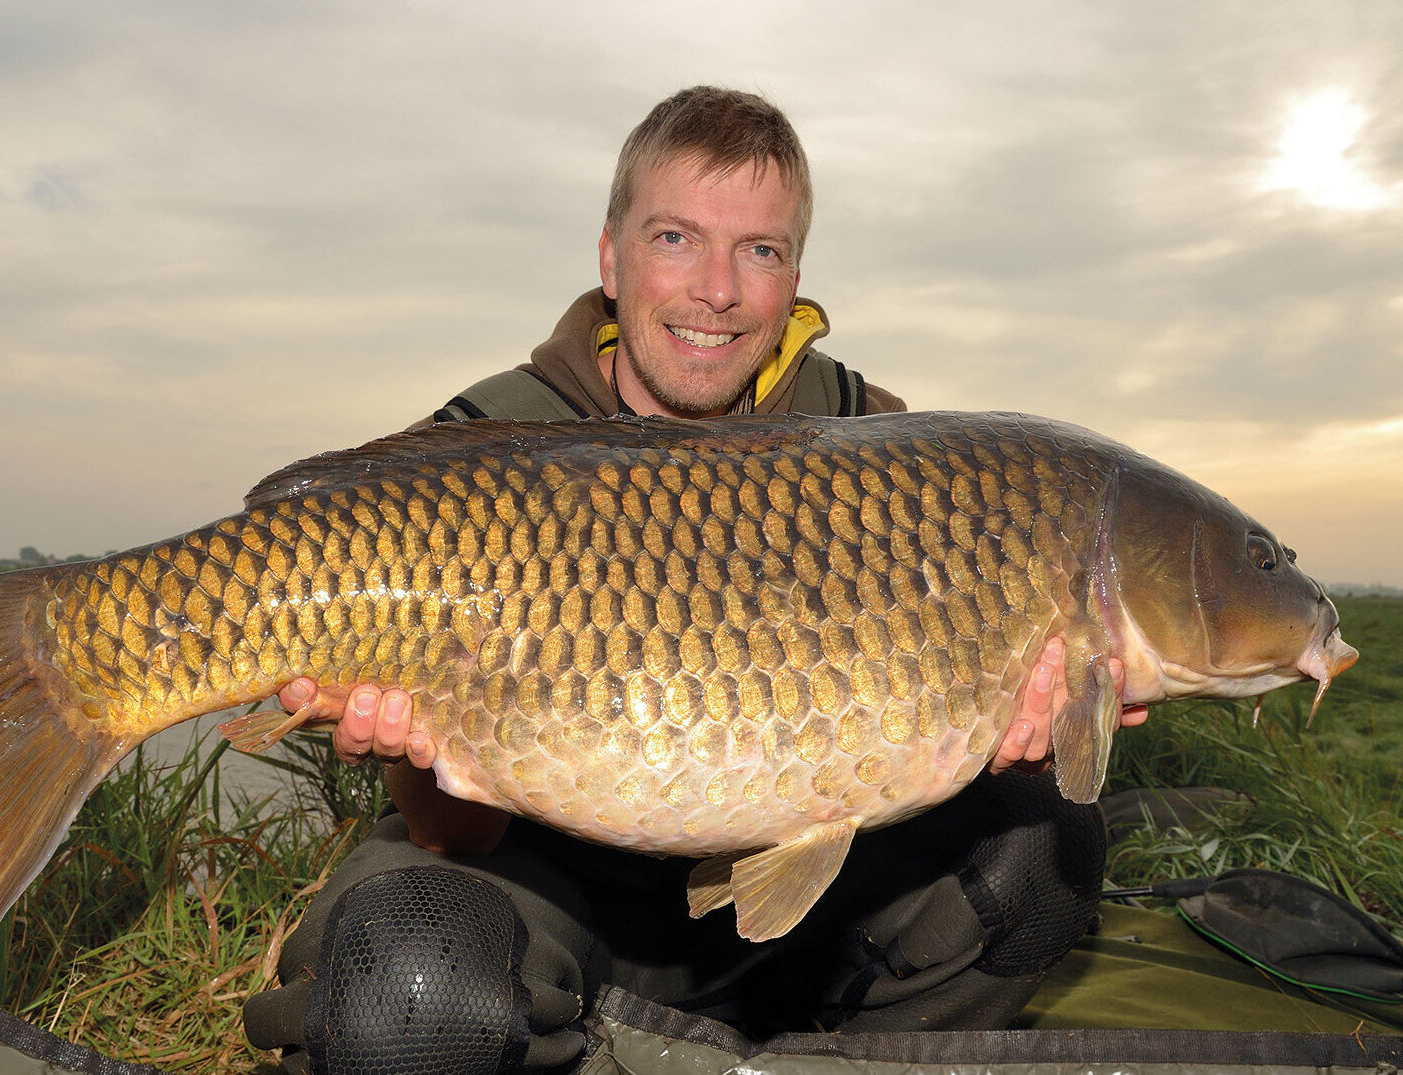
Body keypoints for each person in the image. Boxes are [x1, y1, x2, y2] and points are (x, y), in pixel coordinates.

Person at [242, 87, 1146, 1075]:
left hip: (807, 906)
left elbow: (927, 730)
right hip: (546, 882)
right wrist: (417, 747)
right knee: (410, 991)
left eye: (759, 250)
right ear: (610, 256)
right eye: (676, 237)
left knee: (1044, 852)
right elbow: (454, 829)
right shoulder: (479, 452)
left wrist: (1010, 733)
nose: (717, 288)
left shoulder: (877, 450)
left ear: (794, 273)